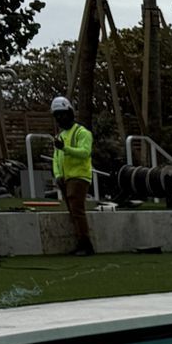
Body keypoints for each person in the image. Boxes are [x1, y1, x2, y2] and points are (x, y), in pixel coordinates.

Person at [51, 94, 96, 254]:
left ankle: (86, 244)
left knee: (77, 210)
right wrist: (58, 175)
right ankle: (81, 243)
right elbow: (56, 158)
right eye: (57, 116)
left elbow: (85, 152)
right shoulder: (60, 136)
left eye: (62, 114)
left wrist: (65, 148)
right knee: (73, 212)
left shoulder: (82, 133)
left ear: (70, 113)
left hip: (79, 176)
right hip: (65, 178)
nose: (60, 118)